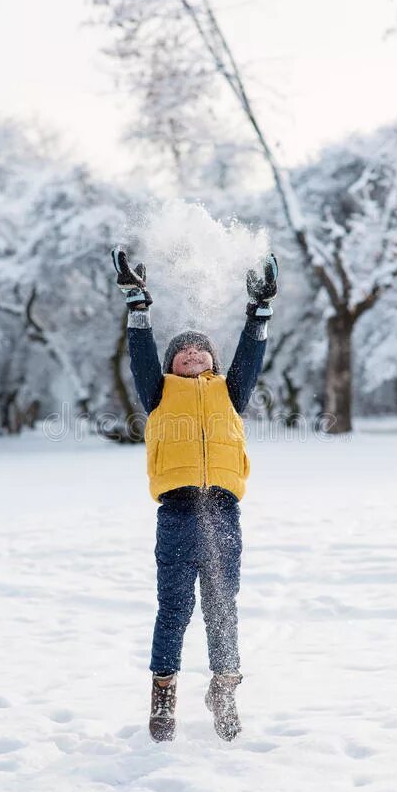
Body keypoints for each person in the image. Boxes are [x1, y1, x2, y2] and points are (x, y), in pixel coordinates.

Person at [111, 246, 278, 741]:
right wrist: (138, 306)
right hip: (179, 512)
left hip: (223, 511)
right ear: (171, 364)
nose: (190, 351)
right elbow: (141, 353)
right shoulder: (158, 393)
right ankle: (164, 692)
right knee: (175, 607)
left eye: (199, 348)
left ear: (212, 360)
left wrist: (259, 310)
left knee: (222, 604)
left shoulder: (231, 392)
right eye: (181, 350)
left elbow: (251, 353)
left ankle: (224, 688)